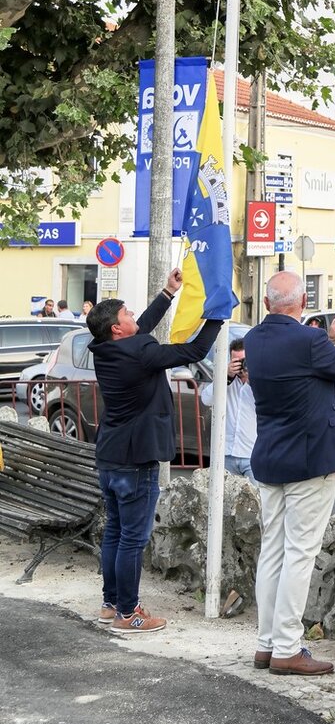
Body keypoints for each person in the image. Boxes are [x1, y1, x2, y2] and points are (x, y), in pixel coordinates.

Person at [245, 270, 335, 676]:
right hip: (309, 461)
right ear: (302, 304)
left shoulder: (254, 339)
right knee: (299, 554)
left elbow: (301, 359)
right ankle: (287, 647)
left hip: (271, 458)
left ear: (267, 304)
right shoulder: (308, 341)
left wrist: (329, 339)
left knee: (273, 552)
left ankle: (267, 644)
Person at [87, 269, 223, 633]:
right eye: (126, 313)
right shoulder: (139, 352)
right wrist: (217, 315)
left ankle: (111, 604)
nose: (132, 315)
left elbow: (141, 329)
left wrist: (167, 292)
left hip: (110, 457)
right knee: (132, 539)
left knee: (115, 532)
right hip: (136, 460)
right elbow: (195, 351)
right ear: (117, 328)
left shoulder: (104, 348)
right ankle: (128, 614)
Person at [199, 340, 255, 479]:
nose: (241, 366)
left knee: (257, 493)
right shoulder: (226, 381)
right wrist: (226, 376)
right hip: (226, 454)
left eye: (244, 361)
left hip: (252, 453)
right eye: (236, 361)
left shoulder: (262, 380)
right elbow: (206, 399)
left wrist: (253, 378)